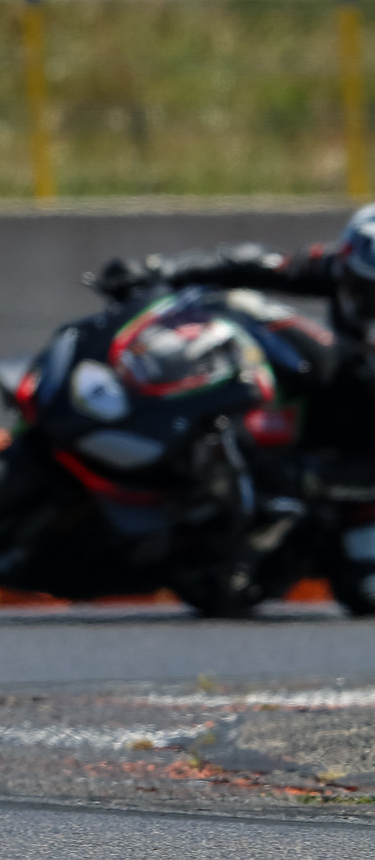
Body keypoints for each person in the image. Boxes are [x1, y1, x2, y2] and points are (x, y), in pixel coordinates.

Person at [96, 204, 375, 609]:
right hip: (339, 402)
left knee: (365, 589)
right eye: (363, 289)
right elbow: (255, 264)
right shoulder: (338, 265)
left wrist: (315, 479)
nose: (366, 302)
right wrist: (160, 270)